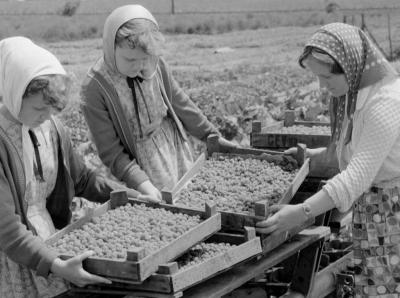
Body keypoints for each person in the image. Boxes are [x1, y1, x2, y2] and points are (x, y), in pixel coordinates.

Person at [0, 37, 152, 298]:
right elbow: (7, 229)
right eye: (39, 108)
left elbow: (81, 179)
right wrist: (56, 264)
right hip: (16, 256)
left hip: (52, 243)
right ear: (15, 92)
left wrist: (129, 196)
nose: (46, 117)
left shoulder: (52, 129)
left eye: (52, 110)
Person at [256, 23, 400, 297]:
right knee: (374, 284)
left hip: (391, 209)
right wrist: (310, 158)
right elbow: (347, 153)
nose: (322, 85)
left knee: (383, 288)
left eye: (326, 77)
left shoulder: (386, 102)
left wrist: (302, 212)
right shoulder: (355, 95)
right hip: (375, 207)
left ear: (349, 67)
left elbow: (356, 174)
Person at [80, 5, 235, 201]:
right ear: (110, 47)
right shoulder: (96, 88)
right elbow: (111, 150)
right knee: (160, 209)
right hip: (137, 164)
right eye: (130, 59)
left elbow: (181, 104)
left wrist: (210, 135)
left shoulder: (156, 64)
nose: (138, 66)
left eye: (144, 59)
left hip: (172, 147)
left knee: (191, 199)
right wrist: (141, 183)